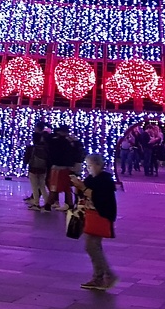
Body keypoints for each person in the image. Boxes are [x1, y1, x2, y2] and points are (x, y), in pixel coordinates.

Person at [78, 154, 118, 291]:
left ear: (98, 165)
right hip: (91, 215)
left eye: (90, 166)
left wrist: (82, 187)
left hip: (100, 216)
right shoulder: (91, 179)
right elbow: (83, 192)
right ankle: (98, 277)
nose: (88, 169)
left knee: (91, 247)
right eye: (87, 166)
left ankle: (106, 275)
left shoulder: (105, 180)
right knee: (94, 246)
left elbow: (97, 196)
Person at [45, 125, 78, 209]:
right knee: (67, 188)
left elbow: (47, 141)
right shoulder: (69, 142)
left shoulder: (54, 141)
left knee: (54, 187)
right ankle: (70, 205)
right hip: (67, 168)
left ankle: (48, 205)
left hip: (57, 168)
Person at [23, 127, 48, 209]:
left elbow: (26, 159)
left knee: (34, 186)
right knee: (42, 186)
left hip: (33, 169)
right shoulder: (45, 148)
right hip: (43, 169)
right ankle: (47, 203)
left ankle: (36, 203)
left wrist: (25, 165)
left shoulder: (31, 148)